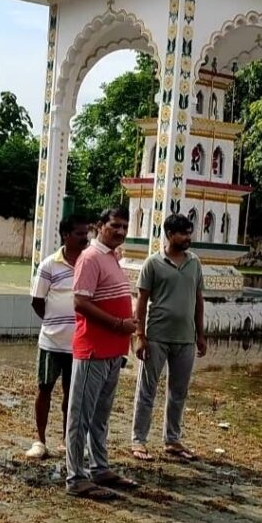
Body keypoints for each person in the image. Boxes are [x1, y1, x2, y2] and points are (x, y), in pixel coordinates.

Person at [65, 207, 139, 500]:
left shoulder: (111, 257)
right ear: (100, 226)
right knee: (80, 416)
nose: (120, 231)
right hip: (93, 350)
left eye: (124, 227)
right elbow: (80, 303)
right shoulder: (90, 257)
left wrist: (125, 327)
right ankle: (76, 477)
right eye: (115, 225)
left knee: (100, 417)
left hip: (112, 351)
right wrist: (119, 324)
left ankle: (99, 467)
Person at [131, 213, 207, 462]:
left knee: (178, 392)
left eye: (189, 233)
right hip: (157, 336)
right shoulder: (153, 263)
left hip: (185, 339)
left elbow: (198, 300)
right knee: (147, 390)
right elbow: (141, 301)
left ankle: (172, 440)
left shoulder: (194, 263)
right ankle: (139, 440)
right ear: (170, 234)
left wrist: (200, 334)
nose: (188, 238)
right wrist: (140, 335)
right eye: (183, 233)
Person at [25, 216, 90, 459]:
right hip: (51, 342)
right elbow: (37, 301)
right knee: (44, 389)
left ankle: (67, 440)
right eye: (80, 234)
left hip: (79, 342)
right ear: (65, 235)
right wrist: (54, 321)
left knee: (72, 394)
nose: (85, 238)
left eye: (86, 234)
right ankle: (40, 440)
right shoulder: (49, 265)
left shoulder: (89, 263)